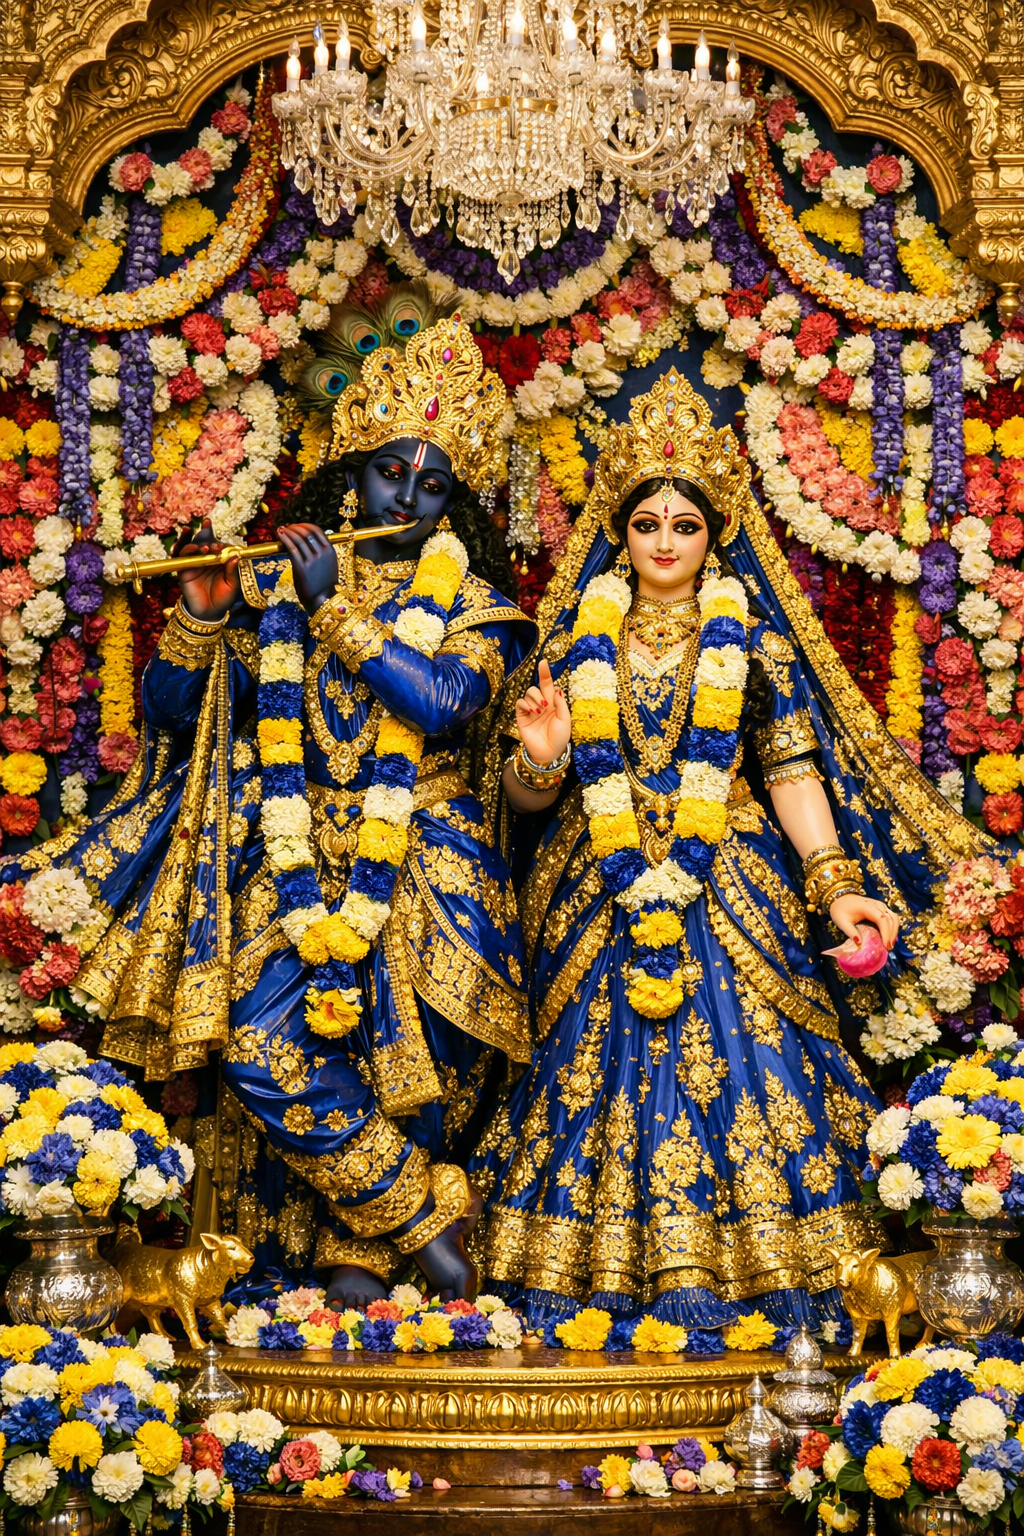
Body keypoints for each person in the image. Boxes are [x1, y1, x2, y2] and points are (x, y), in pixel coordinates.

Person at [5, 315, 536, 1307]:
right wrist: (207, 612)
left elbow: (440, 704)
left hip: (430, 857)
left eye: (431, 486)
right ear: (347, 475)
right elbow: (179, 724)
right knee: (257, 1044)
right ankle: (423, 1221)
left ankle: (358, 1270)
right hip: (284, 852)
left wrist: (334, 608)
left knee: (415, 1078)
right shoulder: (270, 584)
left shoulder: (473, 604)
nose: (407, 499)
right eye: (389, 475)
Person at [471, 369, 987, 1331]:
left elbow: (791, 768)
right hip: (597, 876)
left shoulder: (751, 637)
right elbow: (522, 798)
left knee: (753, 1057)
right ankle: (591, 1281)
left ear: (715, 534)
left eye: (686, 524)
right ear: (619, 533)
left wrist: (835, 887)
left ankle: (770, 1281)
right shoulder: (579, 642)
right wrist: (540, 763)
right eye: (647, 523)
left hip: (729, 874)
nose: (665, 542)